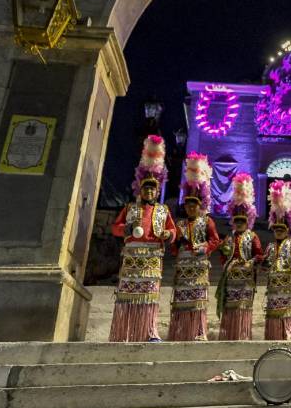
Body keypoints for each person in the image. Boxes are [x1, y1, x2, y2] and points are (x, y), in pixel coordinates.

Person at [109, 135, 177, 342]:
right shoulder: (130, 208)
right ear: (140, 189)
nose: (149, 191)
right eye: (146, 188)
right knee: (128, 296)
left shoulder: (163, 210)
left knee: (149, 296)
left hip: (152, 257)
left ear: (157, 191)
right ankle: (124, 331)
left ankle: (148, 331)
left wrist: (168, 234)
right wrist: (127, 228)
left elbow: (173, 231)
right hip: (132, 256)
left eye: (152, 188)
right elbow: (115, 228)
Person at [167, 152, 221, 341]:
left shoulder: (207, 222)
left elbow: (215, 240)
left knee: (197, 300)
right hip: (183, 268)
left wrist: (204, 248)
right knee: (181, 300)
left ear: (200, 206)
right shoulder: (180, 224)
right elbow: (172, 245)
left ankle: (198, 331)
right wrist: (176, 246)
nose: (191, 208)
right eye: (188, 205)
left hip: (198, 268)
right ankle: (180, 331)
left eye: (194, 205)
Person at [216, 172, 263, 341]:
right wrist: (226, 261)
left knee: (242, 307)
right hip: (231, 278)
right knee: (230, 306)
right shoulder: (229, 237)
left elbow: (259, 255)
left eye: (242, 222)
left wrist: (250, 262)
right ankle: (229, 333)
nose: (239, 224)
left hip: (246, 278)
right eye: (236, 221)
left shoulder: (253, 236)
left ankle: (242, 333)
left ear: (248, 221)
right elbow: (223, 256)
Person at [263, 180, 291, 340]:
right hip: (272, 285)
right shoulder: (269, 246)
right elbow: (264, 262)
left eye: (281, 230)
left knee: (286, 310)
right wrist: (264, 263)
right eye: (276, 230)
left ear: (287, 230)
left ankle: (287, 333)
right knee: (272, 311)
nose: (278, 232)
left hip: (286, 285)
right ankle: (273, 335)